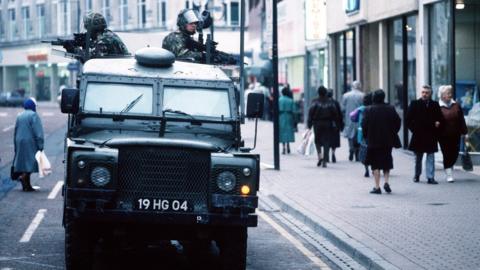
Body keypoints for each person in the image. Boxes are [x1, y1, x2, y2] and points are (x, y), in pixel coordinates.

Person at [362, 90, 401, 194]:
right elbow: (398, 122)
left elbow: (364, 124)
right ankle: (386, 182)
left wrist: (366, 136)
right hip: (388, 140)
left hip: (373, 140)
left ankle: (377, 186)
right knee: (386, 161)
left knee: (375, 163)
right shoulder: (390, 108)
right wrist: (393, 132)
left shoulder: (369, 109)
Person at [406, 85, 444, 184]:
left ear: (430, 94)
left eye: (427, 93)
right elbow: (408, 120)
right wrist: (414, 130)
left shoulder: (435, 104)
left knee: (430, 156)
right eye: (423, 92)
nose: (424, 94)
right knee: (418, 157)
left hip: (431, 135)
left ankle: (430, 177)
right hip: (418, 135)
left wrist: (438, 123)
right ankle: (417, 175)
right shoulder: (415, 104)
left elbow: (440, 118)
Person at [12, 98, 44, 192]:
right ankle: (23, 177)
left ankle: (27, 185)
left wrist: (15, 144)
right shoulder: (34, 115)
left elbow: (15, 130)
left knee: (23, 162)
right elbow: (38, 132)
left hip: (19, 141)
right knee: (31, 162)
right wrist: (40, 145)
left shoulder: (20, 115)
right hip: (30, 141)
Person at [438, 85, 468, 182]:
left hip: (456, 134)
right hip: (443, 135)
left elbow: (461, 120)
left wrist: (465, 133)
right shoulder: (438, 106)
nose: (450, 95)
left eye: (450, 93)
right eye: (448, 93)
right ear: (442, 95)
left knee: (454, 153)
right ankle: (449, 174)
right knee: (446, 153)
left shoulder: (456, 105)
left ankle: (449, 166)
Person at [307, 86, 340, 168]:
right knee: (326, 141)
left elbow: (310, 113)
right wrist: (336, 123)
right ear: (325, 92)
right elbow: (335, 113)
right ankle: (325, 160)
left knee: (317, 141)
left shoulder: (314, 101)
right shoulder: (330, 102)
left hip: (317, 123)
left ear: (318, 93)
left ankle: (320, 156)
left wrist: (309, 124)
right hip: (327, 123)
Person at [342, 80, 364, 161]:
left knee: (350, 135)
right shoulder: (363, 95)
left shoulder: (346, 95)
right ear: (359, 86)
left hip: (349, 118)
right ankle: (357, 152)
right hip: (360, 118)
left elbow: (343, 108)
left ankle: (351, 149)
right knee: (359, 135)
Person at [352, 92, 373, 177]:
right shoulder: (373, 108)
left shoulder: (360, 109)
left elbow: (352, 117)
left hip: (362, 130)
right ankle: (373, 167)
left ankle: (366, 168)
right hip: (372, 131)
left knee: (364, 149)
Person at [327, 89, 344, 163]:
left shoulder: (324, 102)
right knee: (334, 140)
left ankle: (326, 154)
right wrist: (341, 124)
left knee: (326, 139)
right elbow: (340, 114)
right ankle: (333, 152)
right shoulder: (336, 102)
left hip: (326, 123)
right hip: (335, 124)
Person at [279, 87, 296, 154]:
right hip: (289, 116)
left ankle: (283, 147)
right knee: (288, 131)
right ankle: (288, 146)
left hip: (281, 116)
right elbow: (294, 111)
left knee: (282, 132)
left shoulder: (279, 100)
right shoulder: (290, 100)